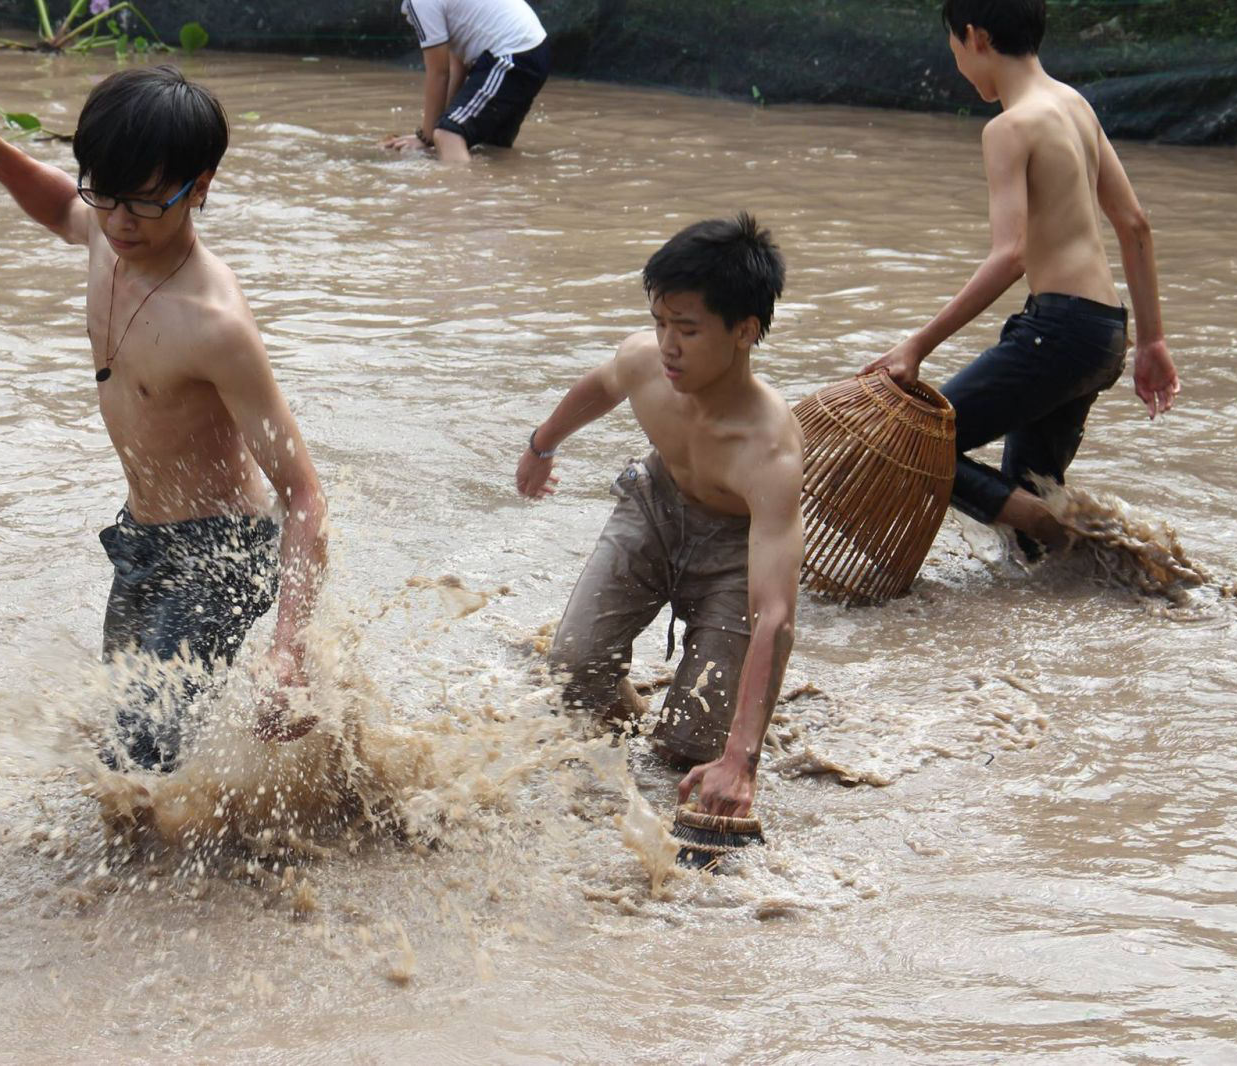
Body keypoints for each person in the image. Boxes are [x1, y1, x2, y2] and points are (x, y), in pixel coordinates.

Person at [0, 66, 328, 771]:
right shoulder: (106, 228)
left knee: (139, 754)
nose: (120, 221)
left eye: (147, 203)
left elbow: (304, 494)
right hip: (140, 540)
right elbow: (63, 208)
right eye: (108, 193)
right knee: (122, 743)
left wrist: (288, 651)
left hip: (220, 556)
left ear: (199, 187)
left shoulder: (215, 326)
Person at [865, 0, 1180, 555]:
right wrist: (1151, 341)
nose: (959, 63)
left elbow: (1010, 257)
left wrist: (916, 345)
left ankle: (1066, 531)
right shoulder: (1074, 105)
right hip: (1102, 334)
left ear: (975, 37)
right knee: (1030, 532)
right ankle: (1091, 558)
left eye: (955, 49)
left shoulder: (1010, 129)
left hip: (1057, 332)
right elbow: (1135, 225)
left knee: (917, 444)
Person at [516, 214, 803, 818]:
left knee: (689, 748)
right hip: (654, 505)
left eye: (689, 330)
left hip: (733, 551)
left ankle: (694, 732)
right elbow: (601, 383)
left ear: (745, 331)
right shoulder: (647, 362)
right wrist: (541, 446)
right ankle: (628, 722)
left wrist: (740, 761)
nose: (668, 344)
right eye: (660, 322)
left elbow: (775, 612)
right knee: (574, 670)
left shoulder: (769, 451)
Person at [381, 0, 550, 162]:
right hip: (533, 49)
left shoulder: (419, 2)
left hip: (511, 54)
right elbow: (458, 66)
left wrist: (427, 136)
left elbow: (439, 73)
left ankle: (463, 190)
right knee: (490, 148)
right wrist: (445, 121)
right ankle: (501, 189)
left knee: (448, 135)